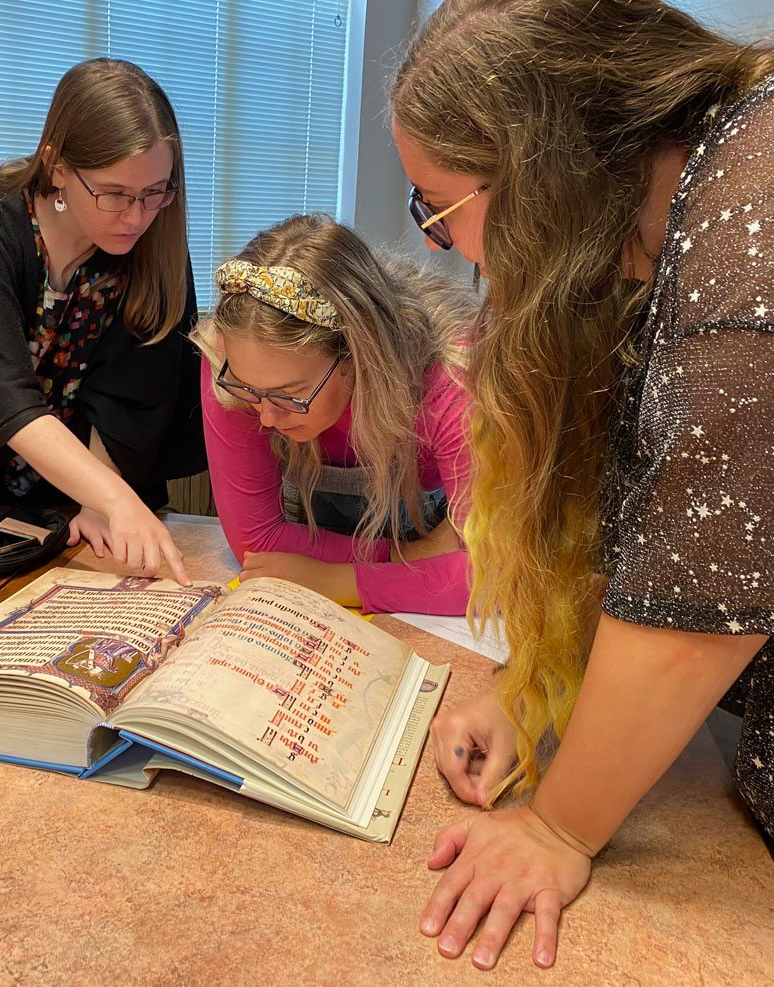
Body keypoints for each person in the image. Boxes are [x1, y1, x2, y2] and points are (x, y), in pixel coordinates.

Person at [390, 0, 774, 971]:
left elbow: (700, 599)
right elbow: (630, 528)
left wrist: (556, 829)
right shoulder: (666, 229)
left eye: (434, 206)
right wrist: (532, 696)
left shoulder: (752, 207)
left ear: (542, 166)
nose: (436, 246)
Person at [0, 59, 205, 583]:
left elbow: (131, 401)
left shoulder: (153, 244)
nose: (137, 217)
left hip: (88, 509)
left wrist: (100, 499)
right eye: (115, 193)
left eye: (155, 192)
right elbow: (5, 395)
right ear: (56, 166)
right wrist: (114, 499)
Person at [194, 213, 476, 614]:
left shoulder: (451, 374)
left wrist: (339, 580)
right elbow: (258, 542)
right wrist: (421, 558)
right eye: (250, 392)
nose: (268, 420)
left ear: (356, 356)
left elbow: (495, 576)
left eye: (291, 395)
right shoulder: (232, 361)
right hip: (397, 553)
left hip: (415, 532)